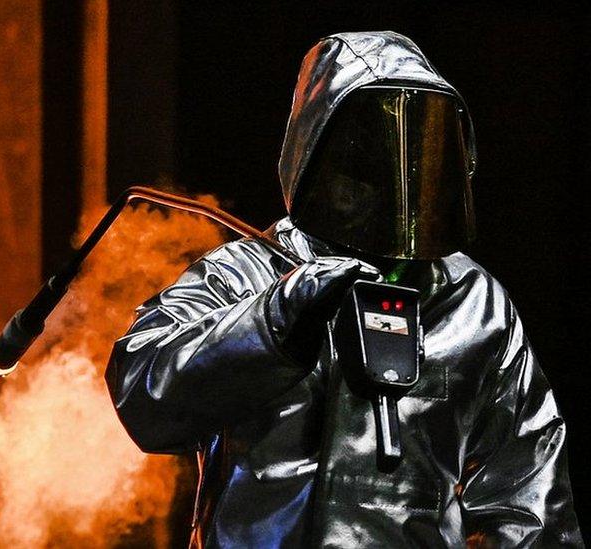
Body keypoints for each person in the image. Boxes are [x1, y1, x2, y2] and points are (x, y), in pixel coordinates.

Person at [105, 31, 583, 547]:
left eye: (416, 154)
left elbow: (531, 503)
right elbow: (142, 393)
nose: (394, 184)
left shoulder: (474, 304)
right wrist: (272, 323)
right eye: (367, 160)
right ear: (317, 157)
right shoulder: (247, 275)